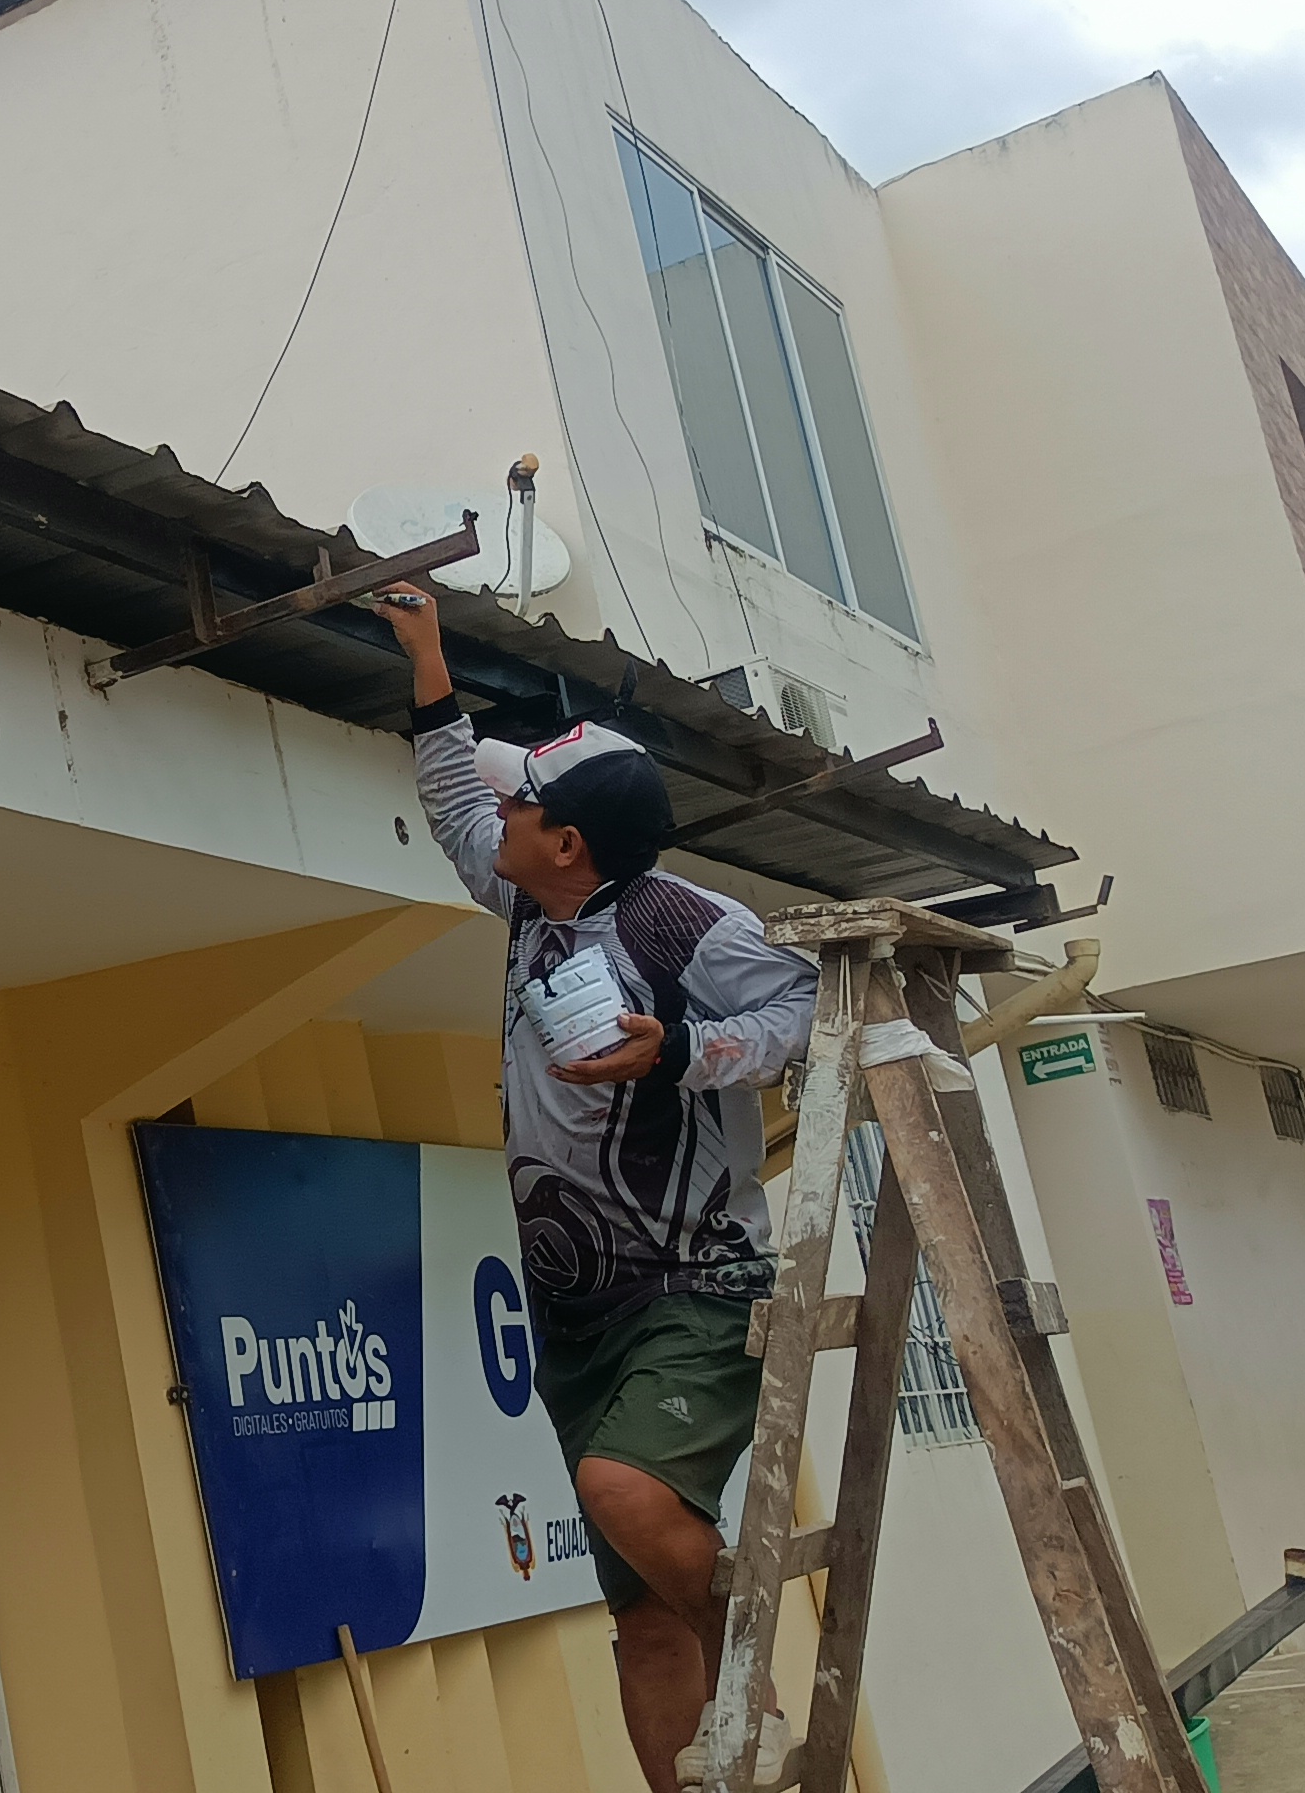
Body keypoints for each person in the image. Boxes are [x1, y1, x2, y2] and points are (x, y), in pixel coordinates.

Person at [376, 587, 818, 1791]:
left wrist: (682, 1052)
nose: (501, 816)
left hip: (696, 1282)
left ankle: (749, 1674)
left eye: (522, 806)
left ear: (567, 841)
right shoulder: (527, 900)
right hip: (574, 1309)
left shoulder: (688, 926)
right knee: (639, 1622)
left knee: (619, 1488)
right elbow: (454, 802)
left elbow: (806, 1006)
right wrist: (426, 659)